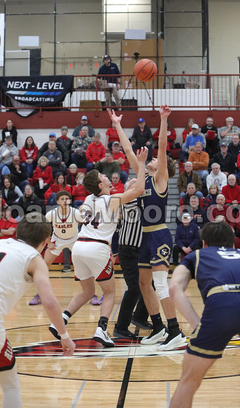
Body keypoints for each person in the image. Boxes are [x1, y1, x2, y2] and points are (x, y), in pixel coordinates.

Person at [169, 221, 240, 408]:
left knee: (188, 382)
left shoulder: (196, 255)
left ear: (204, 243)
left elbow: (174, 288)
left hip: (220, 305)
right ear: (232, 244)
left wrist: (197, 324)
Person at [48, 147, 147, 347]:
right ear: (101, 184)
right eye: (103, 175)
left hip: (79, 247)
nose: (107, 176)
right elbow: (139, 190)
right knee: (110, 292)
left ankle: (62, 319)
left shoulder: (87, 199)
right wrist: (142, 164)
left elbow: (86, 214)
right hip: (96, 248)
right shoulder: (111, 200)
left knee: (87, 292)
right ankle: (102, 330)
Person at [108, 105, 187, 351]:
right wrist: (117, 124)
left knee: (161, 283)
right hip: (144, 238)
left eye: (154, 160)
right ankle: (159, 327)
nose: (152, 159)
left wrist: (164, 119)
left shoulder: (161, 177)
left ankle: (175, 331)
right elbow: (129, 149)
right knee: (144, 284)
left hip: (160, 235)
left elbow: (162, 147)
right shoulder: (142, 176)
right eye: (150, 160)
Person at [0, 213, 75, 407]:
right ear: (46, 241)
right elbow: (49, 301)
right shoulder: (34, 259)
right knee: (10, 385)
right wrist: (64, 335)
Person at [29, 190, 83, 306]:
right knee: (43, 266)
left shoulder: (75, 212)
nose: (65, 201)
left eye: (67, 199)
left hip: (74, 240)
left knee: (85, 265)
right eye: (62, 199)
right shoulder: (51, 213)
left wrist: (83, 238)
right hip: (57, 240)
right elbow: (42, 226)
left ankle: (92, 294)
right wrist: (48, 241)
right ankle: (39, 295)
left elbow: (88, 224)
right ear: (57, 201)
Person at [113, 178, 151, 339]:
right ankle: (120, 327)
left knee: (150, 285)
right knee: (134, 288)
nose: (138, 183)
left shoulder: (143, 201)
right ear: (129, 189)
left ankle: (140, 317)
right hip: (128, 250)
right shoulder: (128, 200)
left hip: (141, 250)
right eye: (134, 182)